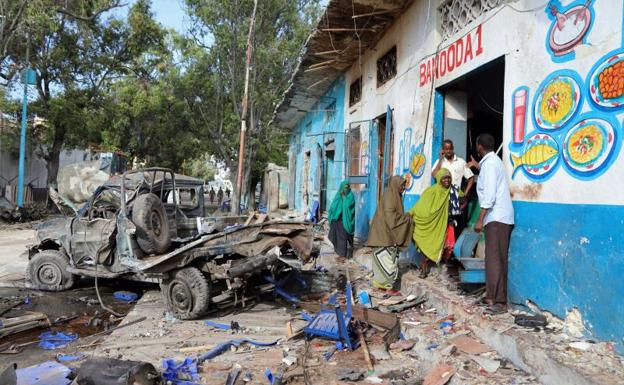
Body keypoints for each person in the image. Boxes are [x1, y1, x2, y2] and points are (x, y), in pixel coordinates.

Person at [470, 134, 514, 315]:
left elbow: (489, 195)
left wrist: (480, 218)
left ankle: (499, 301)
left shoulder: (489, 165)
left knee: (495, 260)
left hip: (496, 218)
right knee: (493, 259)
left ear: (479, 147)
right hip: (498, 218)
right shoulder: (492, 163)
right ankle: (492, 297)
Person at [368, 176, 413, 293]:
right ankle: (388, 288)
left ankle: (381, 286)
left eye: (404, 186)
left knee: (383, 263)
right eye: (402, 185)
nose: (403, 188)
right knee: (388, 263)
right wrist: (406, 219)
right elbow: (391, 218)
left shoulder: (394, 195)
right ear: (395, 185)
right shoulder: (390, 196)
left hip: (383, 234)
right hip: (383, 234)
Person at [409, 168, 452, 278]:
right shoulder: (431, 191)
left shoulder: (453, 191)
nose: (447, 180)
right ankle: (425, 267)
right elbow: (420, 205)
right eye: (444, 178)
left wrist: (453, 211)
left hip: (446, 224)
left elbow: (463, 199)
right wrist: (411, 213)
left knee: (448, 246)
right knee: (425, 243)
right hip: (429, 223)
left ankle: (445, 269)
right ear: (439, 179)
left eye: (449, 178)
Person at [431, 139, 475, 237]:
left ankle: (455, 250)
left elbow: (471, 178)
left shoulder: (461, 162)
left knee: (457, 227)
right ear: (443, 150)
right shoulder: (439, 162)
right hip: (443, 199)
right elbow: (434, 174)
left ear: (453, 148)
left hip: (457, 199)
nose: (448, 151)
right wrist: (440, 160)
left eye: (450, 148)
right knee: (443, 227)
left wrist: (465, 194)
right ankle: (445, 250)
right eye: (446, 149)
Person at [327, 180, 355, 261]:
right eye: (344, 188)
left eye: (347, 187)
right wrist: (333, 215)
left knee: (342, 238)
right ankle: (338, 253)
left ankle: (343, 255)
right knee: (334, 235)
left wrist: (344, 199)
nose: (346, 189)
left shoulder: (350, 196)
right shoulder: (338, 195)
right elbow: (333, 207)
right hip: (337, 219)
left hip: (346, 220)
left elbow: (349, 207)